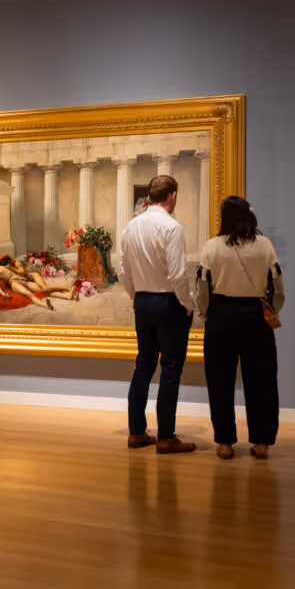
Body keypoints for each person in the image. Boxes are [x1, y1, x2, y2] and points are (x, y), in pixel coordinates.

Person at [195, 196, 285, 460]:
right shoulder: (265, 245)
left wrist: (205, 314)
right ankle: (261, 443)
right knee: (262, 381)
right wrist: (273, 310)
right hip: (256, 316)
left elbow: (202, 287)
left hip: (221, 315)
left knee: (219, 380)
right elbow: (278, 286)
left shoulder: (212, 246)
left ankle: (225, 443)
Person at [119, 175, 196, 454]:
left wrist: (136, 295)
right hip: (168, 303)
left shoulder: (131, 226)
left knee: (144, 365)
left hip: (143, 302)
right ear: (172, 196)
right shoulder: (172, 228)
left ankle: (136, 432)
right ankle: (165, 436)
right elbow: (177, 275)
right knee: (171, 369)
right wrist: (187, 304)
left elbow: (123, 271)